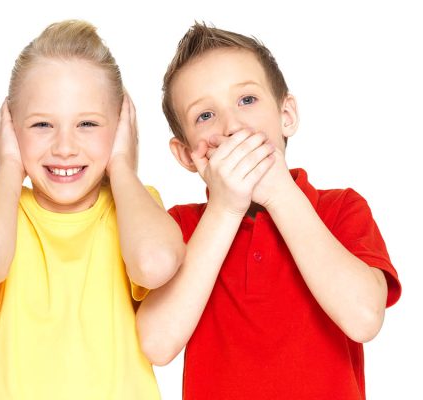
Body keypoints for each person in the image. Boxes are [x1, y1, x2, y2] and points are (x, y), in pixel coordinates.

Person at [136, 22, 402, 399]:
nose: (232, 126)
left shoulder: (341, 208)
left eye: (246, 100)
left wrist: (279, 192)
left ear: (286, 114)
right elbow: (157, 345)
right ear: (185, 154)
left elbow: (363, 319)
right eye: (205, 116)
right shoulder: (179, 227)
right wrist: (226, 209)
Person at [0, 19, 184, 399]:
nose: (64, 147)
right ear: (11, 128)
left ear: (121, 128)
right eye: (42, 124)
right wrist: (9, 167)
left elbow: (155, 263)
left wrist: (123, 165)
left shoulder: (135, 208)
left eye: (87, 124)